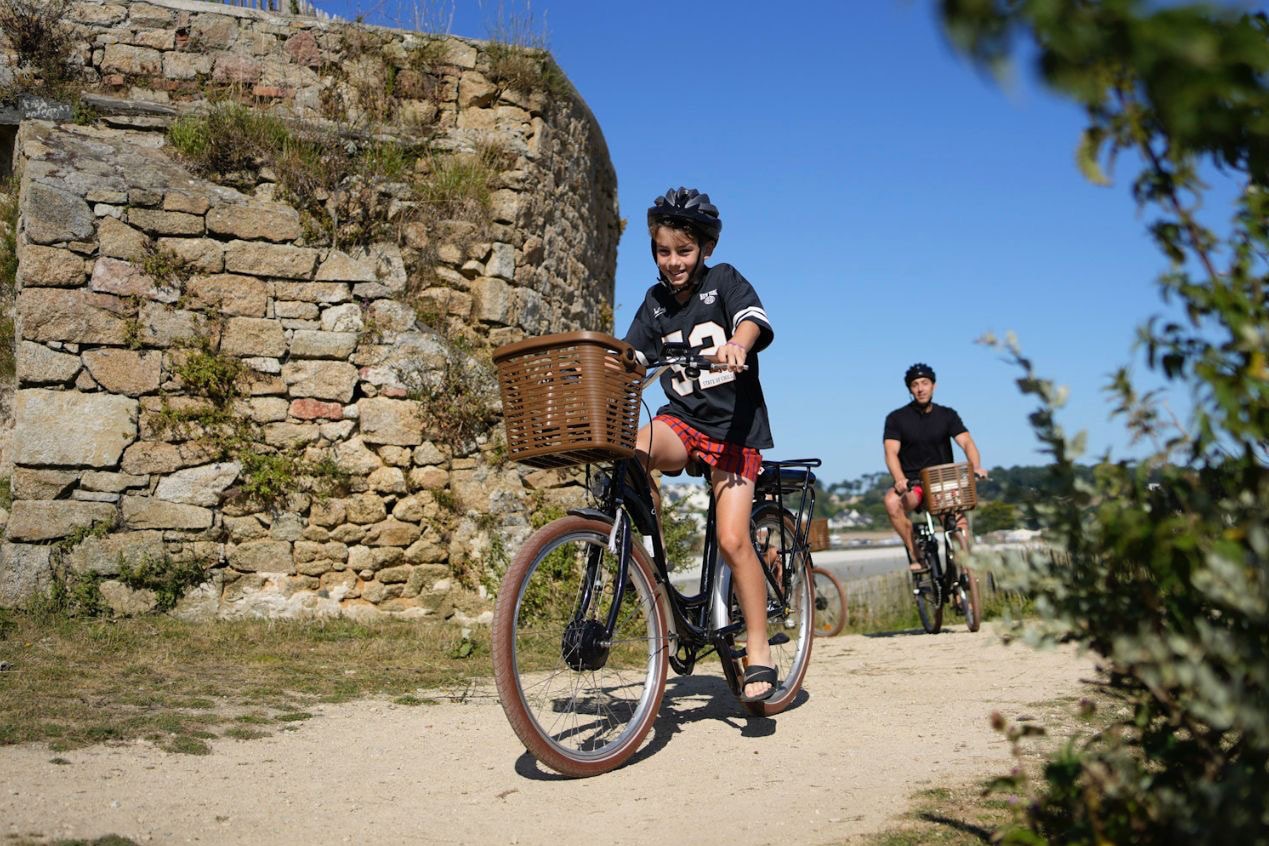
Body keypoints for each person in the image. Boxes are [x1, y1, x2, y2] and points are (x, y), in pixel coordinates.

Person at [623, 186, 777, 703]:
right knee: (631, 451)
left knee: (734, 541)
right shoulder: (655, 303)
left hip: (735, 431)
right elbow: (630, 358)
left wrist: (739, 344)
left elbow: (753, 319)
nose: (673, 262)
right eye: (664, 252)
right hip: (683, 421)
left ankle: (759, 648)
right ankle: (646, 562)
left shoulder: (724, 280)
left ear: (704, 249)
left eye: (683, 251)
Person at [883, 363, 988, 570]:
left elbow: (967, 442)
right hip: (914, 484)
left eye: (925, 383)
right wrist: (899, 479)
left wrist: (976, 467)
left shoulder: (947, 415)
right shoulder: (896, 418)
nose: (920, 388)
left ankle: (964, 581)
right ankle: (916, 554)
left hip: (944, 481)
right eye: (915, 384)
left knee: (960, 527)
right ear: (910, 389)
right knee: (891, 502)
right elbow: (891, 452)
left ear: (934, 386)